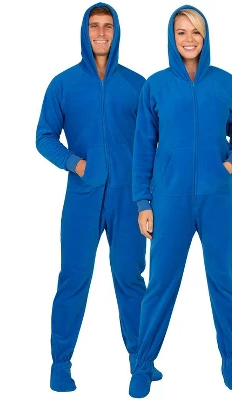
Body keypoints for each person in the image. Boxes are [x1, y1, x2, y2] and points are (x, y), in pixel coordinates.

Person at [129, 4, 232, 397]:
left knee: (225, 281)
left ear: (206, 37)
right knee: (160, 284)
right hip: (169, 201)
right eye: (181, 32)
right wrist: (143, 202)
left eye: (196, 32)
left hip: (219, 199)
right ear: (172, 37)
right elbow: (143, 148)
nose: (189, 39)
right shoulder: (155, 86)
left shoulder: (226, 83)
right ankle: (143, 366)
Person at [36, 3, 162, 392]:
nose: (101, 33)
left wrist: (149, 197)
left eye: (108, 26)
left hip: (129, 199)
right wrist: (75, 164)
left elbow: (155, 142)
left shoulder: (138, 84)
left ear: (117, 31)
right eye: (95, 26)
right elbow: (44, 137)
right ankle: (60, 365)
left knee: (130, 278)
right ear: (84, 31)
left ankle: (142, 360)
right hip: (82, 198)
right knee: (73, 279)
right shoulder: (64, 84)